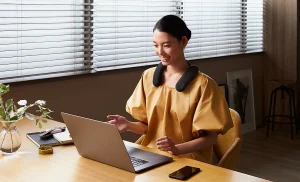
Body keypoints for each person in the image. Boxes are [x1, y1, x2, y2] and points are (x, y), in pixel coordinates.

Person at [107, 15, 233, 164]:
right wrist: (128, 125)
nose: (160, 51)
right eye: (155, 45)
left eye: (166, 45)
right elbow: (149, 128)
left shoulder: (203, 85)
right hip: (151, 155)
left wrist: (177, 149)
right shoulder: (148, 77)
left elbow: (210, 138)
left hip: (188, 160)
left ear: (183, 42)